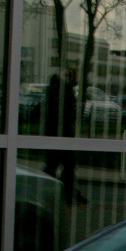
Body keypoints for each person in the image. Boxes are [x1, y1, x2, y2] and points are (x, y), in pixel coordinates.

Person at [42, 65, 84, 204]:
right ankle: (66, 192)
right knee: (64, 164)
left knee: (57, 164)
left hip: (57, 133)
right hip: (61, 133)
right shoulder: (63, 91)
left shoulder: (56, 90)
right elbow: (63, 114)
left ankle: (63, 192)